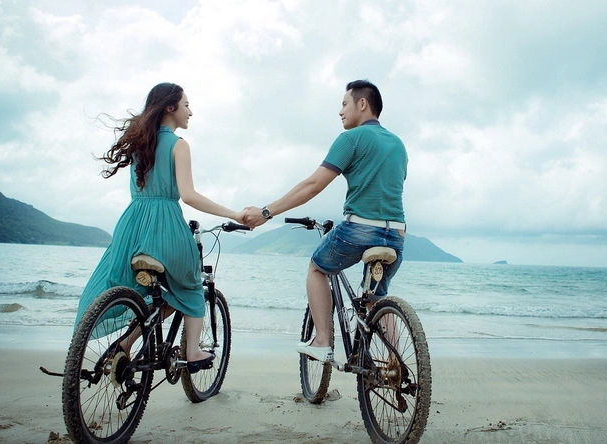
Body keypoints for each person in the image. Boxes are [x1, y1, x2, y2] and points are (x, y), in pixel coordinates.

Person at [74, 82, 246, 373]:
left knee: (152, 292)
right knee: (190, 285)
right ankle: (193, 351)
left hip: (132, 227)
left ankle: (126, 344)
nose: (190, 111)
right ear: (170, 107)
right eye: (186, 105)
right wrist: (235, 214)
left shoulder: (140, 144)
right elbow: (189, 196)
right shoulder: (179, 145)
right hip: (165, 225)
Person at [243, 79, 407, 362]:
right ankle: (396, 363)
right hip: (396, 235)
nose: (340, 111)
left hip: (359, 230)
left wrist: (267, 212)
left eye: (344, 104)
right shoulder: (398, 144)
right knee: (376, 300)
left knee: (317, 268)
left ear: (362, 104)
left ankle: (322, 341)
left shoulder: (350, 139)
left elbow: (313, 186)